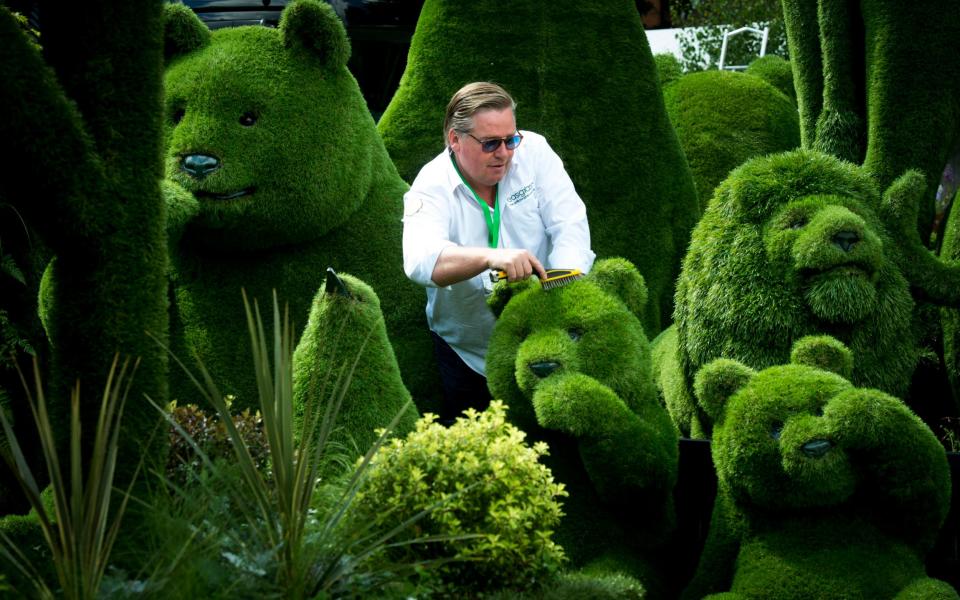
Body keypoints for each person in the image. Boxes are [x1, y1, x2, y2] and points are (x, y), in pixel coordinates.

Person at [402, 81, 595, 422]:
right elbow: (420, 261)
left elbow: (569, 223)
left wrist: (560, 287)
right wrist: (490, 257)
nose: (504, 153)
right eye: (491, 143)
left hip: (540, 340)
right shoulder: (431, 185)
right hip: (468, 352)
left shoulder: (534, 152)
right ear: (455, 140)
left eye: (511, 139)